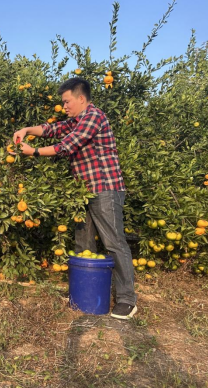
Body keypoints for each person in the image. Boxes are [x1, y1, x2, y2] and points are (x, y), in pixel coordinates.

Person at [12, 78, 137, 320]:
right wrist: (27, 130)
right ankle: (84, 292)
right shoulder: (75, 120)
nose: (64, 106)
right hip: (82, 192)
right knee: (83, 243)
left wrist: (34, 152)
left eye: (67, 101)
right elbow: (51, 130)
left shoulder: (93, 117)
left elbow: (68, 145)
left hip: (105, 189)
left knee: (114, 243)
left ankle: (127, 299)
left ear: (81, 98)